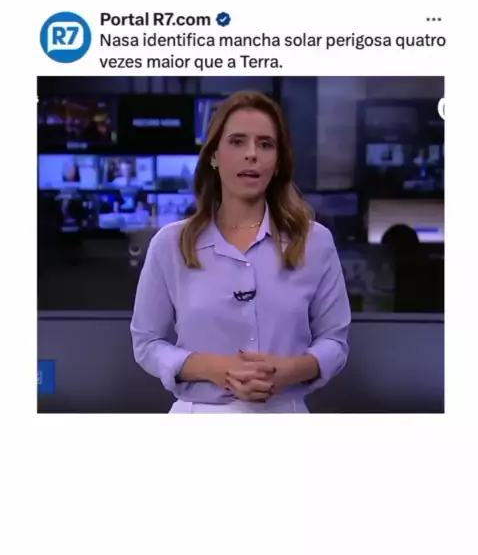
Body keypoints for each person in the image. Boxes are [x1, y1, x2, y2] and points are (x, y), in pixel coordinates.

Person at [131, 90, 351, 413]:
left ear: (278, 162)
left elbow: (335, 342)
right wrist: (216, 369)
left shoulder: (314, 242)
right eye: (237, 141)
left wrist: (290, 370)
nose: (252, 155)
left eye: (265, 144)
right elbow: (147, 343)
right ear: (214, 155)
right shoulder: (171, 244)